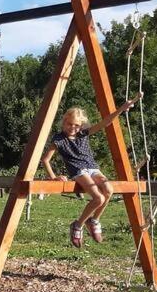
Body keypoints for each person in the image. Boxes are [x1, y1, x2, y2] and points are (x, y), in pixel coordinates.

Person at [42, 94, 142, 247]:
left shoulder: (82, 134)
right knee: (99, 198)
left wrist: (121, 109)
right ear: (64, 122)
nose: (73, 128)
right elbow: (45, 160)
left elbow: (105, 122)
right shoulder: (59, 139)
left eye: (76, 125)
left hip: (92, 167)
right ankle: (78, 224)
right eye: (69, 124)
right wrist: (54, 177)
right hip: (78, 171)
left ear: (81, 126)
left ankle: (94, 220)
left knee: (108, 189)